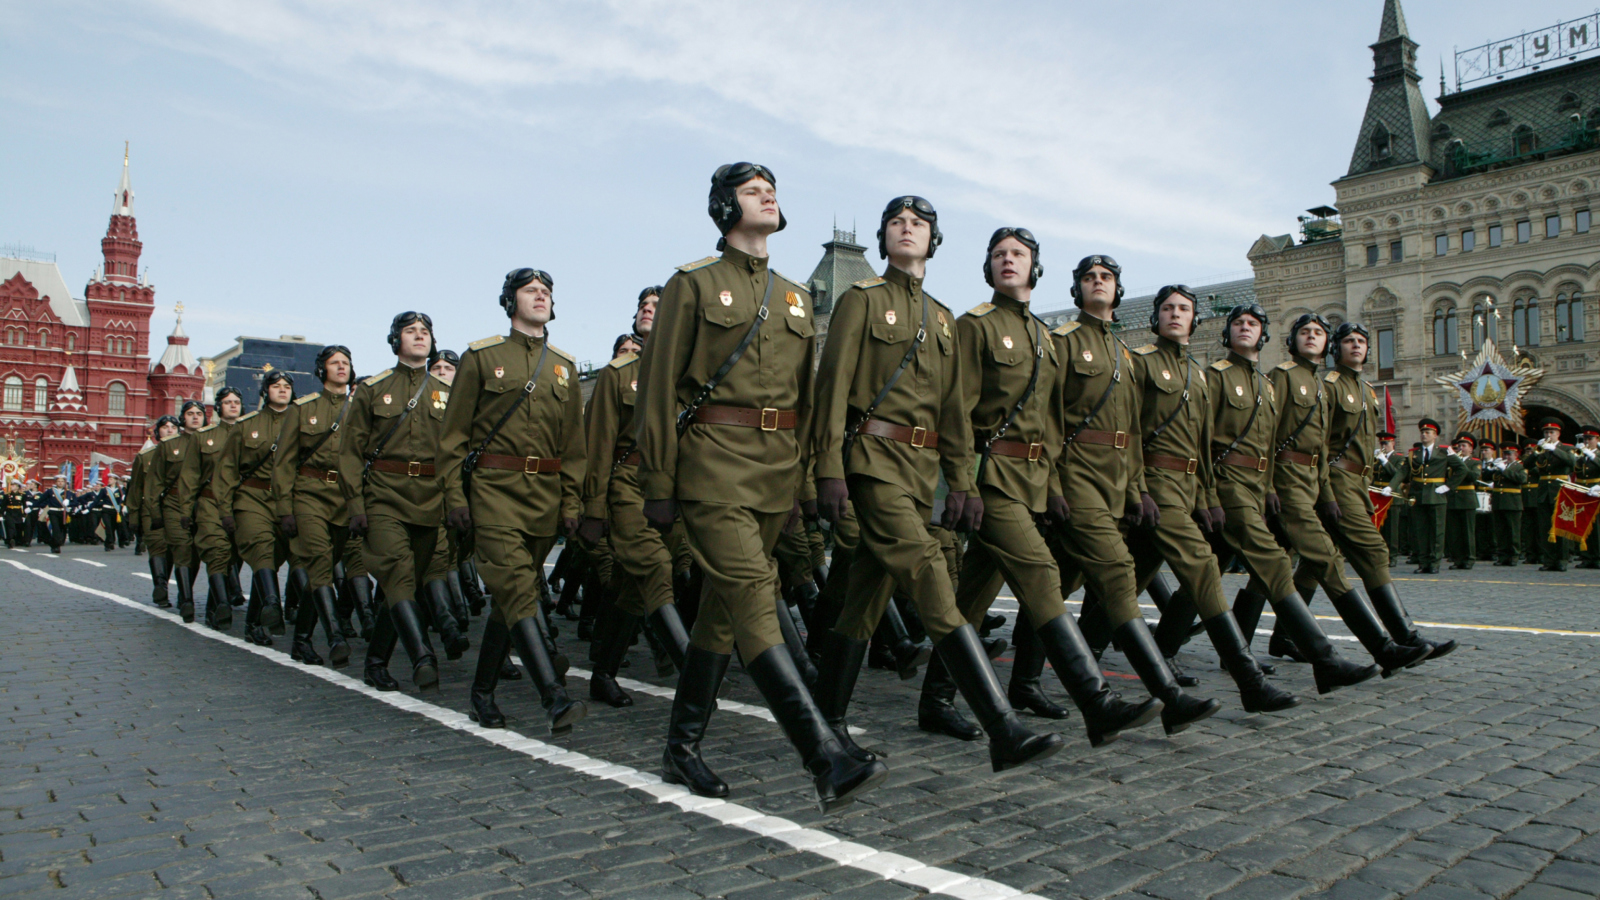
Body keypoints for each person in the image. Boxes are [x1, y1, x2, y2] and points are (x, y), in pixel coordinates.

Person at [637, 162, 887, 811]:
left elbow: (805, 402)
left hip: (775, 475)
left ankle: (680, 747)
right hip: (712, 466)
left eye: (770, 188)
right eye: (752, 189)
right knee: (753, 595)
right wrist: (659, 481)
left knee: (722, 619)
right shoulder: (691, 285)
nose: (766, 195)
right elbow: (659, 393)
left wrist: (805, 480)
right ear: (725, 208)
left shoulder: (797, 296)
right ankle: (823, 753)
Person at [809, 195, 1063, 771]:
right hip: (873, 460)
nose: (907, 229)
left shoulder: (943, 319)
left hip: (922, 476)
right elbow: (832, 390)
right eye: (897, 223)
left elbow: (954, 413)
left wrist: (961, 485)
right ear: (884, 239)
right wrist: (827, 467)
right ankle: (1002, 727)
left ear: (933, 241)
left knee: (864, 602)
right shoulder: (861, 299)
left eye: (918, 224)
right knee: (930, 574)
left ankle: (826, 726)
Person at [934, 231, 1161, 750]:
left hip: (1032, 484)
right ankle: (1097, 704)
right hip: (990, 479)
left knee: (970, 596)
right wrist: (961, 483)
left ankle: (936, 700)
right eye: (998, 255)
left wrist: (1053, 483)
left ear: (1035, 269)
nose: (1007, 261)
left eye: (1018, 255)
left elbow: (1052, 425)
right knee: (1040, 575)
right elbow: (957, 411)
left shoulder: (1043, 335)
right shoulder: (976, 326)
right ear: (988, 269)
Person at [1044, 257, 1221, 734]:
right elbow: (1049, 418)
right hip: (1077, 475)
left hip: (1120, 484)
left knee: (1057, 581)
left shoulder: (1123, 355)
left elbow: (1133, 433)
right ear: (1077, 288)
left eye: (1106, 278)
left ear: (1118, 291)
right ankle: (1169, 695)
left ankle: (1023, 680)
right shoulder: (1063, 342)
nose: (1098, 283)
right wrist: (1052, 484)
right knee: (1115, 574)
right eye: (1089, 277)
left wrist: (1137, 489)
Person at [1110, 285, 1299, 713]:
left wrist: (1208, 495)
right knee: (1201, 565)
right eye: (1168, 308)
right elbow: (1130, 432)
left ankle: (1080, 649)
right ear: (1155, 317)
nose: (1175, 315)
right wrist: (1136, 487)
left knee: (1125, 576)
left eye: (1184, 309)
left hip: (1191, 486)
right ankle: (1250, 678)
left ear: (1195, 320)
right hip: (1155, 481)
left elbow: (1202, 445)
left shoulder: (1196, 373)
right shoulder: (1141, 363)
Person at [441, 268, 587, 732]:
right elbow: (453, 437)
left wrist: (570, 502)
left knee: (510, 600)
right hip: (494, 491)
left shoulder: (563, 365)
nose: (540, 296)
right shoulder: (482, 357)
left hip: (543, 496)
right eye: (530, 290)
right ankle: (554, 696)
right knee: (519, 589)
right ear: (510, 301)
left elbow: (574, 446)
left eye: (546, 291)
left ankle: (481, 694)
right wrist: (453, 495)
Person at [1206, 305, 1379, 694]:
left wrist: (1273, 488)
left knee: (1211, 569)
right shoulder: (1260, 377)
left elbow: (1309, 444)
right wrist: (1208, 491)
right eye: (1239, 323)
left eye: (1253, 323)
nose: (1246, 328)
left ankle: (1217, 648)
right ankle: (1374, 647)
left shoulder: (1291, 383)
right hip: (1237, 482)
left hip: (1274, 484)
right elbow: (1211, 438)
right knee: (1291, 561)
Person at [1284, 321, 1455, 663]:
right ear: (1337, 348)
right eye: (1348, 341)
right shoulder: (1329, 385)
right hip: (1336, 480)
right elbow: (1318, 441)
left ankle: (1285, 637)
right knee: (1373, 552)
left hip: (1360, 483)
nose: (1356, 346)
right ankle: (1405, 635)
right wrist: (1326, 491)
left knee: (1314, 563)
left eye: (1362, 341)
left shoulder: (1367, 389)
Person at [580, 288, 695, 709]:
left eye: (658, 306)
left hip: (675, 487)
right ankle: (693, 673)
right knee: (655, 564)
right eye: (643, 306)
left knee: (631, 588)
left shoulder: (689, 373)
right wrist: (593, 507)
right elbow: (597, 446)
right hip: (629, 482)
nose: (648, 310)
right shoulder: (617, 374)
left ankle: (603, 674)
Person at [341, 312, 463, 690]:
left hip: (430, 500)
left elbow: (458, 453)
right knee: (397, 571)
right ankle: (422, 655)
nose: (419, 336)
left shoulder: (447, 394)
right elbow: (348, 453)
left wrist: (455, 502)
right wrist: (356, 506)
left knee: (403, 586)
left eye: (425, 332)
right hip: (384, 496)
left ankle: (376, 661)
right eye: (410, 331)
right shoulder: (374, 389)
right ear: (395, 341)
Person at [273, 345, 358, 666]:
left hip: (345, 499)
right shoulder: (302, 408)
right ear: (322, 370)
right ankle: (335, 634)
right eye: (334, 363)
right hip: (309, 494)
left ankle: (302, 641)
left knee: (324, 567)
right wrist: (284, 508)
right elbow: (283, 462)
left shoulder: (358, 409)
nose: (341, 367)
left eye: (346, 363)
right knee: (320, 562)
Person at [218, 372, 296, 644]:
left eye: (287, 386)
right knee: (261, 547)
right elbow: (227, 470)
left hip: (288, 499)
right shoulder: (246, 425)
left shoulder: (302, 424)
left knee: (274, 557)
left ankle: (253, 623)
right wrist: (225, 510)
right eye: (276, 386)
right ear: (265, 391)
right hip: (252, 497)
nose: (283, 390)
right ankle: (273, 603)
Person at [188, 387, 245, 628]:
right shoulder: (203, 436)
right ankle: (222, 603)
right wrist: (185, 510)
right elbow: (190, 476)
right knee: (217, 550)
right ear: (218, 407)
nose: (233, 405)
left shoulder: (251, 433)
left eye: (236, 402)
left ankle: (214, 607)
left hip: (242, 501)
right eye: (227, 402)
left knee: (236, 555)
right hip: (211, 500)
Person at [148, 401, 208, 618]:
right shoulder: (168, 445)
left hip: (203, 504)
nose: (194, 417)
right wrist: (155, 513)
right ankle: (187, 600)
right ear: (182, 418)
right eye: (190, 414)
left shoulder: (213, 442)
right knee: (182, 549)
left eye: (199, 414)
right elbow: (154, 482)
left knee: (195, 554)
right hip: (174, 504)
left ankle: (185, 593)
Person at [1398, 419, 1465, 574]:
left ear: (1435, 435)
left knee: (1437, 531)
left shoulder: (1444, 451)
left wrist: (1448, 486)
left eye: (1428, 432)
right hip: (1418, 495)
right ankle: (1423, 562)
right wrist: (1390, 486)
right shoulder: (1414, 453)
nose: (1424, 435)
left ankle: (1434, 563)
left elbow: (1462, 469)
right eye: (1422, 432)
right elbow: (1403, 472)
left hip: (1436, 495)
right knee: (1420, 531)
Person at [1524, 418, 1577, 572]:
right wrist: (1536, 451)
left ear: (1558, 434)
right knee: (1545, 527)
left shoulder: (1566, 449)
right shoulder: (1541, 450)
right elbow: (1527, 465)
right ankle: (1548, 560)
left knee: (1560, 527)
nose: (1549, 434)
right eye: (1546, 432)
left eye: (1551, 432)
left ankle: (1561, 559)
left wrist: (1554, 450)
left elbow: (1572, 462)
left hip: (1560, 490)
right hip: (1543, 492)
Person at [1444, 433, 1482, 570]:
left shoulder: (1475, 462)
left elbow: (1472, 476)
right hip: (1453, 498)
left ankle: (1469, 558)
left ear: (1471, 449)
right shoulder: (1452, 461)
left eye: (1464, 446)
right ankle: (1457, 559)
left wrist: (1459, 464)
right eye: (1459, 446)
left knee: (1467, 531)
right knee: (1454, 533)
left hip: (1467, 499)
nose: (1460, 448)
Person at [1487, 441, 1528, 566]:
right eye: (1505, 454)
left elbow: (1522, 479)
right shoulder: (1500, 466)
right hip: (1499, 501)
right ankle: (1502, 556)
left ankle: (1514, 556)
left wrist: (1505, 470)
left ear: (1516, 454)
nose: (1506, 457)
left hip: (1512, 502)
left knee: (1513, 531)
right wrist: (1492, 468)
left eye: (1509, 454)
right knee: (1501, 531)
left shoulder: (1520, 466)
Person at [1573, 426, 1600, 568]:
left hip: (1597, 491)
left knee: (1597, 527)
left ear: (1597, 439)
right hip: (1583, 492)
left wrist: (1593, 457)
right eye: (1585, 439)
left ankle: (1598, 557)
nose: (1587, 441)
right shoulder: (1581, 456)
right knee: (1584, 525)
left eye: (1590, 439)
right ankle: (1587, 556)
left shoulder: (1598, 454)